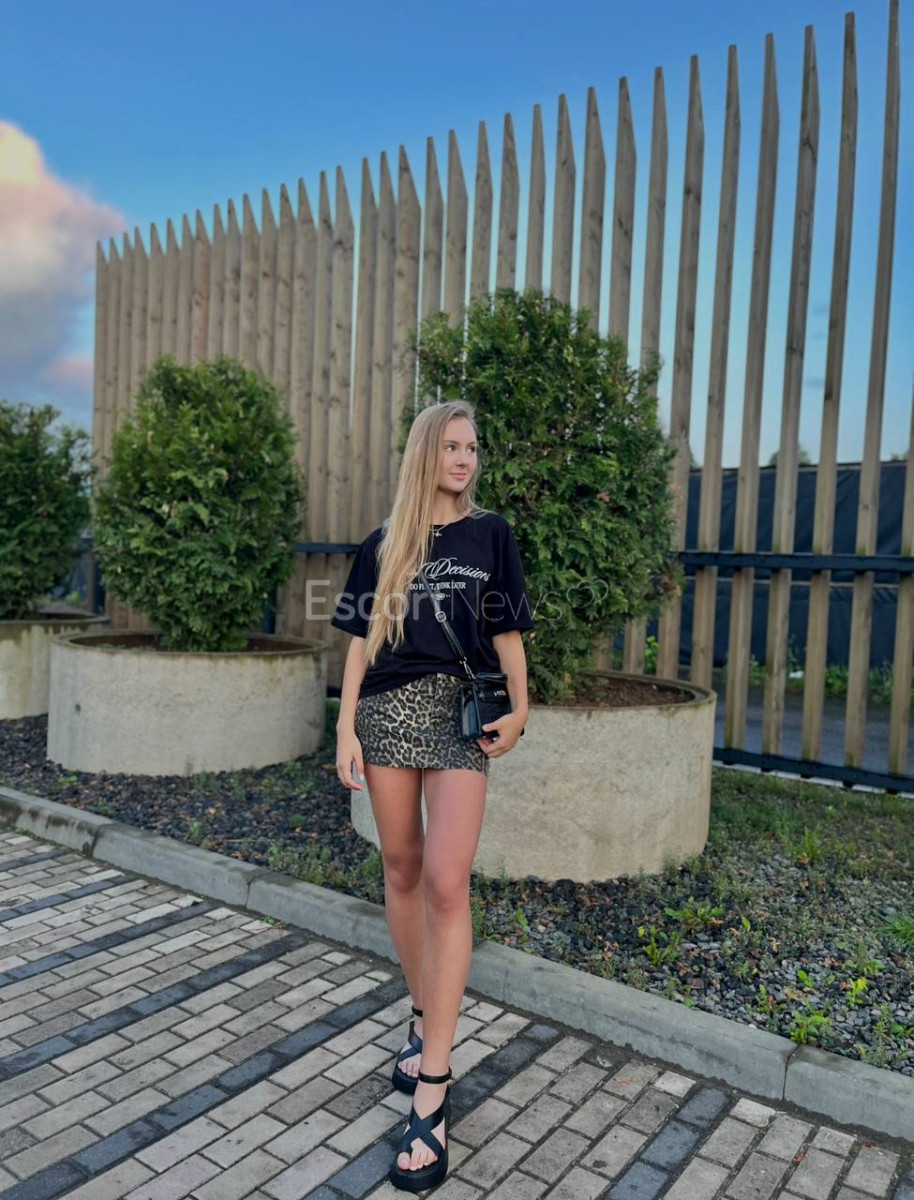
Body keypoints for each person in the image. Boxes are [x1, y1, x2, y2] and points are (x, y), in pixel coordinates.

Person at [331, 399, 535, 1192]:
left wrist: (522, 705)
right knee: (403, 870)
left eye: (472, 447)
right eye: (452, 446)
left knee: (448, 882)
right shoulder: (383, 544)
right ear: (426, 452)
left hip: (457, 716)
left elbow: (506, 628)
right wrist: (346, 728)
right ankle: (423, 1016)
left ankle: (434, 1088)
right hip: (385, 715)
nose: (465, 458)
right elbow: (359, 644)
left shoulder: (491, 536)